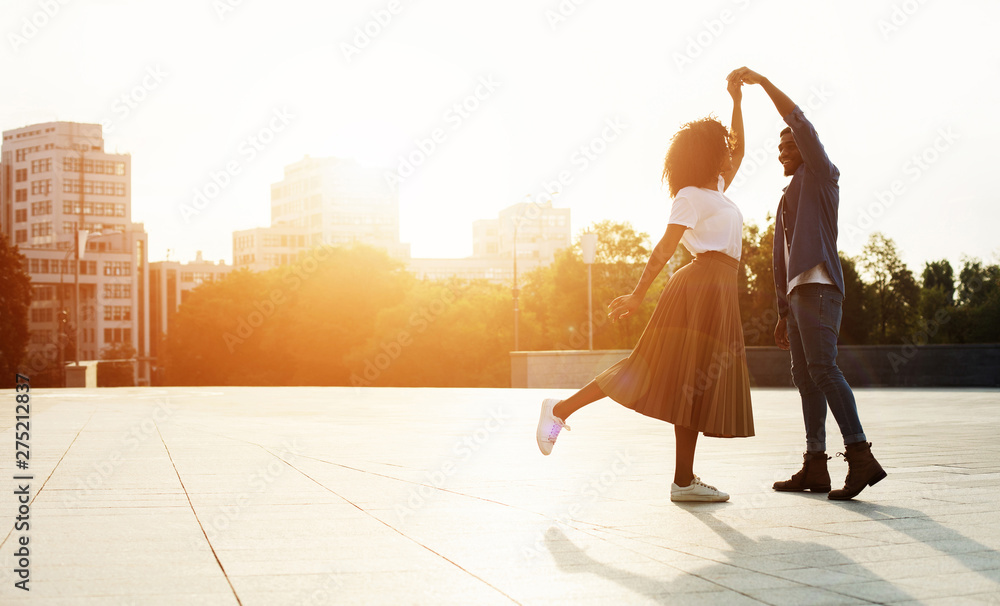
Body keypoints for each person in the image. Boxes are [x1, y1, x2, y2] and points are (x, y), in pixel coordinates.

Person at [535, 75, 754, 503]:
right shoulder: (690, 195)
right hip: (699, 286)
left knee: (695, 383)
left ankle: (683, 481)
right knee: (645, 368)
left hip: (720, 289)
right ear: (706, 153)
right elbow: (665, 248)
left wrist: (737, 99)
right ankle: (559, 411)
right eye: (721, 146)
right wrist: (638, 295)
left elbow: (741, 148)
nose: (729, 151)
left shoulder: (719, 191)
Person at [729, 67, 886, 501]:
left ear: (804, 147)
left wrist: (761, 84)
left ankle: (860, 456)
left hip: (820, 288)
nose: (780, 154)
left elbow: (799, 119)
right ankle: (816, 465)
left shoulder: (820, 174)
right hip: (799, 296)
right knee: (805, 376)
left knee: (822, 369)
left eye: (786, 146)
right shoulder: (785, 198)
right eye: (778, 148)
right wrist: (782, 313)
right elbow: (781, 262)